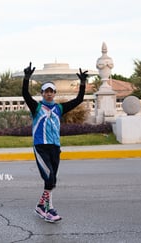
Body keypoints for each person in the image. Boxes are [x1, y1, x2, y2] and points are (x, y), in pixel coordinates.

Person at [22, 62, 88, 223]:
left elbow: (79, 99)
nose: (49, 94)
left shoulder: (59, 108)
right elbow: (25, 95)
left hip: (55, 148)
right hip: (41, 147)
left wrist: (83, 83)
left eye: (51, 91)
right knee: (50, 178)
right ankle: (48, 209)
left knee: (52, 181)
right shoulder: (37, 108)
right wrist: (26, 79)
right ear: (42, 93)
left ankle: (40, 206)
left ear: (55, 93)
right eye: (46, 91)